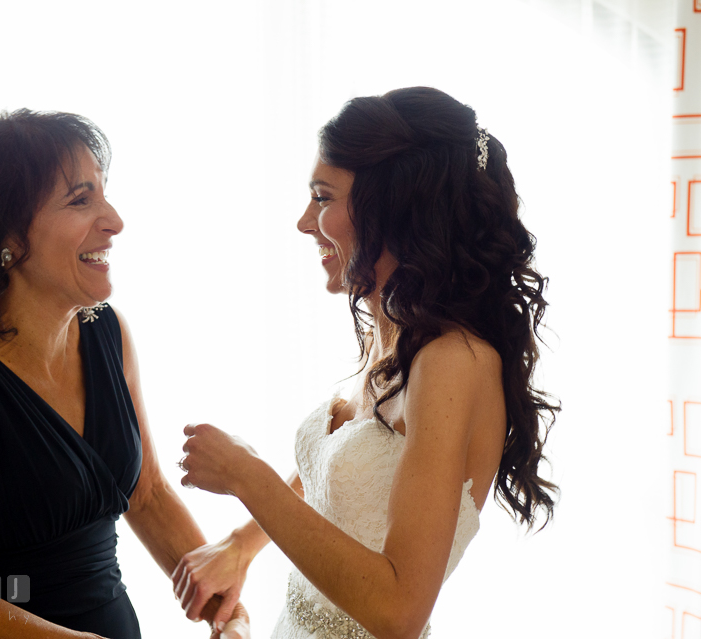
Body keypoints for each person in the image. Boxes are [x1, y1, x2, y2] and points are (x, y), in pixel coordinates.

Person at [170, 87, 559, 639]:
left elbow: (399, 612)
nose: (305, 222)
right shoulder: (393, 337)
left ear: (393, 208)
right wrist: (241, 544)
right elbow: (343, 471)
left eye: (323, 198)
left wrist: (247, 476)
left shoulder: (453, 362)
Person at [0, 110, 248, 639]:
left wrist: (225, 606)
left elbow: (145, 494)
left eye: (104, 194)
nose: (115, 220)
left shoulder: (107, 333)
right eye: (81, 200)